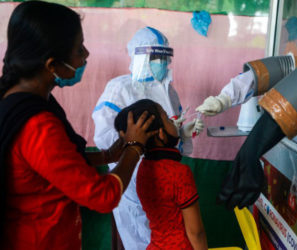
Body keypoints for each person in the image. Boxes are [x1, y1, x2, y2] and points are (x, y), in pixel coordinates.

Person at [0, 2, 156, 249]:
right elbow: (103, 197)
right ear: (52, 65)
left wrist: (108, 155)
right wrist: (134, 148)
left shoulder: (23, 99)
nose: (86, 55)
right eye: (78, 49)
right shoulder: (37, 126)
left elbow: (53, 164)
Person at [92, 26, 204, 248]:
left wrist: (182, 133)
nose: (161, 63)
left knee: (167, 234)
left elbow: (171, 129)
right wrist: (138, 147)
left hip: (164, 182)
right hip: (133, 177)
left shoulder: (168, 90)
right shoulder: (119, 89)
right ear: (139, 56)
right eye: (154, 57)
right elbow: (105, 136)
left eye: (164, 57)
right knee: (139, 238)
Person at [114, 99, 208, 250]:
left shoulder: (143, 169)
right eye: (167, 118)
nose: (173, 121)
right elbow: (196, 232)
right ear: (161, 134)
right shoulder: (179, 173)